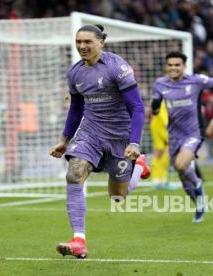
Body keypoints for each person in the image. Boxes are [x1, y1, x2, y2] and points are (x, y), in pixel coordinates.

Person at [49, 24, 150, 259]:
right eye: (78, 42)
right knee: (74, 174)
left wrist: (134, 142)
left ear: (101, 42)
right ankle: (79, 241)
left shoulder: (118, 68)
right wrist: (65, 139)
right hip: (90, 133)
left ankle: (140, 168)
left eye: (88, 42)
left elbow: (137, 107)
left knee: (117, 196)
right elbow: (76, 109)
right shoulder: (75, 72)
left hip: (120, 137)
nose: (82, 46)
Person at [151, 51, 213, 223]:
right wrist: (154, 107)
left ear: (184, 66)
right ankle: (199, 204)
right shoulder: (159, 84)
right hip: (174, 135)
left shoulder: (196, 81)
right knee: (183, 178)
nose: (173, 68)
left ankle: (198, 184)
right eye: (170, 65)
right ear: (166, 66)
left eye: (177, 65)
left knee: (182, 165)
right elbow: (156, 107)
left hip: (193, 133)